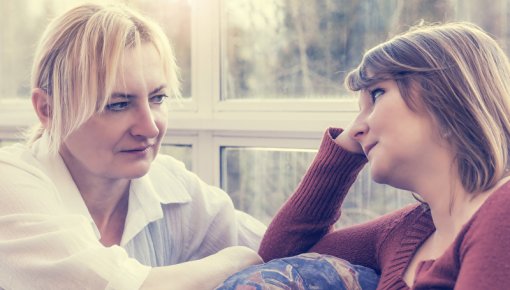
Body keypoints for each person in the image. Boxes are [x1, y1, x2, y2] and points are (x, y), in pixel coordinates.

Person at [217, 22, 510, 289]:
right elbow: (279, 262)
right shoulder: (406, 232)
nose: (356, 127)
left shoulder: (502, 209)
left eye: (377, 94)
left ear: (448, 96)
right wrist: (342, 155)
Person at [0, 3, 266, 289]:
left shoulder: (169, 185)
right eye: (118, 104)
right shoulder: (10, 184)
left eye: (158, 98)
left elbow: (279, 245)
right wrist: (236, 260)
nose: (150, 127)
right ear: (48, 110)